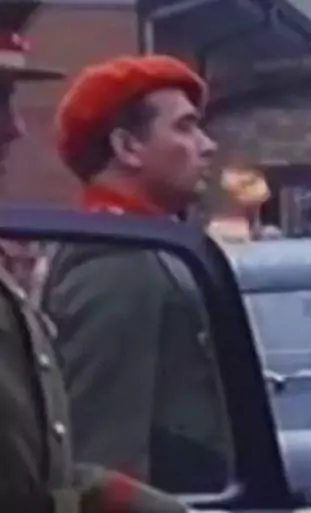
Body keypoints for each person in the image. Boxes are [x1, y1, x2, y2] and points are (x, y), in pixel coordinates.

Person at [0, 3, 188, 511]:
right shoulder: (117, 258)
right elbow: (103, 439)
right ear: (127, 147)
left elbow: (43, 475)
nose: (15, 129)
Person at [41, 55, 231, 492]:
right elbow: (102, 453)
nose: (207, 145)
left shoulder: (149, 247)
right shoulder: (117, 260)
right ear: (127, 147)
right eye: (184, 127)